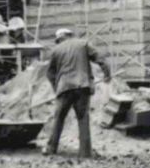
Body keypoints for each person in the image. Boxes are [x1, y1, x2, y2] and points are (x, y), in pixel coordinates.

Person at [42, 28, 109, 159]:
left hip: (64, 88)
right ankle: (85, 153)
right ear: (70, 35)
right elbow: (100, 59)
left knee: (59, 118)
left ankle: (51, 149)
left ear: (60, 38)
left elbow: (50, 73)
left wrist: (57, 88)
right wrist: (107, 74)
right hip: (82, 86)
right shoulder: (83, 44)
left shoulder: (56, 50)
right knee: (83, 118)